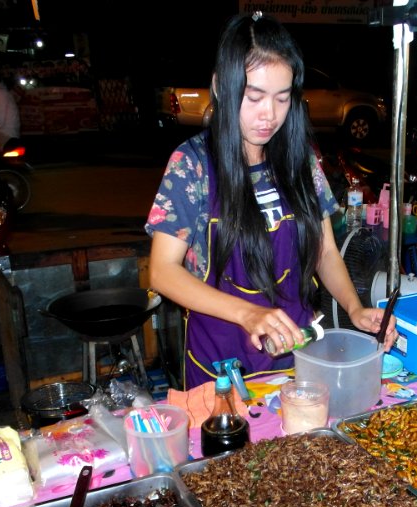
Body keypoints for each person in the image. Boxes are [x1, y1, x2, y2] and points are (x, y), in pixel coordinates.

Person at [145, 12, 396, 391]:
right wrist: (247, 314)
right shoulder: (193, 163)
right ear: (220, 86)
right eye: (254, 96)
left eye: (283, 98)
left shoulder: (300, 160)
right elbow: (162, 271)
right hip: (221, 366)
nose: (270, 115)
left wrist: (354, 307)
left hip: (299, 354)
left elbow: (325, 251)